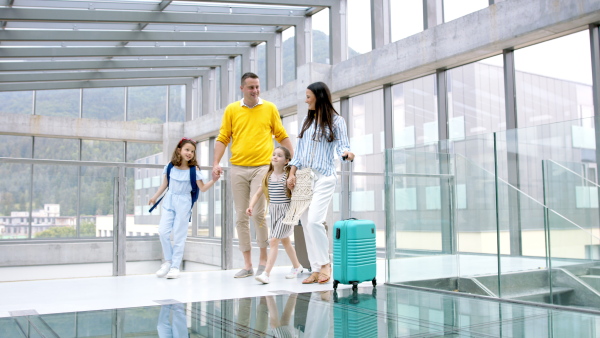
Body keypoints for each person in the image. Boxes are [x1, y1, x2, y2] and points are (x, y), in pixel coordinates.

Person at [213, 72, 293, 278]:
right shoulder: (232, 110)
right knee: (241, 216)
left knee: (258, 213)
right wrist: (215, 163)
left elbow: (281, 135)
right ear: (242, 88)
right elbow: (223, 138)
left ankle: (263, 260)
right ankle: (247, 265)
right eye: (251, 87)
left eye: (257, 87)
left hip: (262, 167)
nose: (255, 91)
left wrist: (294, 162)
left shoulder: (270, 108)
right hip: (238, 168)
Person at [287, 82, 355, 284]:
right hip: (304, 178)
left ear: (319, 96)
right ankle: (315, 268)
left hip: (324, 177)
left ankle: (325, 264)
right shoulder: (306, 122)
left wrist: (347, 155)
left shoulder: (337, 121)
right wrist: (292, 174)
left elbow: (343, 147)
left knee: (315, 221)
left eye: (308, 96)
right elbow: (298, 153)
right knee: (307, 224)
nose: (306, 100)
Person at [149, 138, 219, 279]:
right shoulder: (170, 166)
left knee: (179, 236)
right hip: (169, 200)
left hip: (184, 203)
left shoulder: (194, 170)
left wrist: (214, 180)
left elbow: (203, 188)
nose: (190, 153)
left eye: (192, 151)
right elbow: (165, 185)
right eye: (187, 150)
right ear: (179, 150)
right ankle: (168, 262)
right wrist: (155, 197)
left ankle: (175, 266)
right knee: (163, 231)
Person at [246, 146, 303, 284]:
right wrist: (251, 206)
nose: (275, 157)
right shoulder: (268, 176)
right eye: (274, 154)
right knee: (285, 241)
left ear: (286, 161)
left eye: (279, 155)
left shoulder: (288, 176)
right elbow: (258, 193)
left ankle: (266, 273)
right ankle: (297, 266)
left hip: (286, 212)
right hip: (274, 212)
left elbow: (296, 193)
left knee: (273, 240)